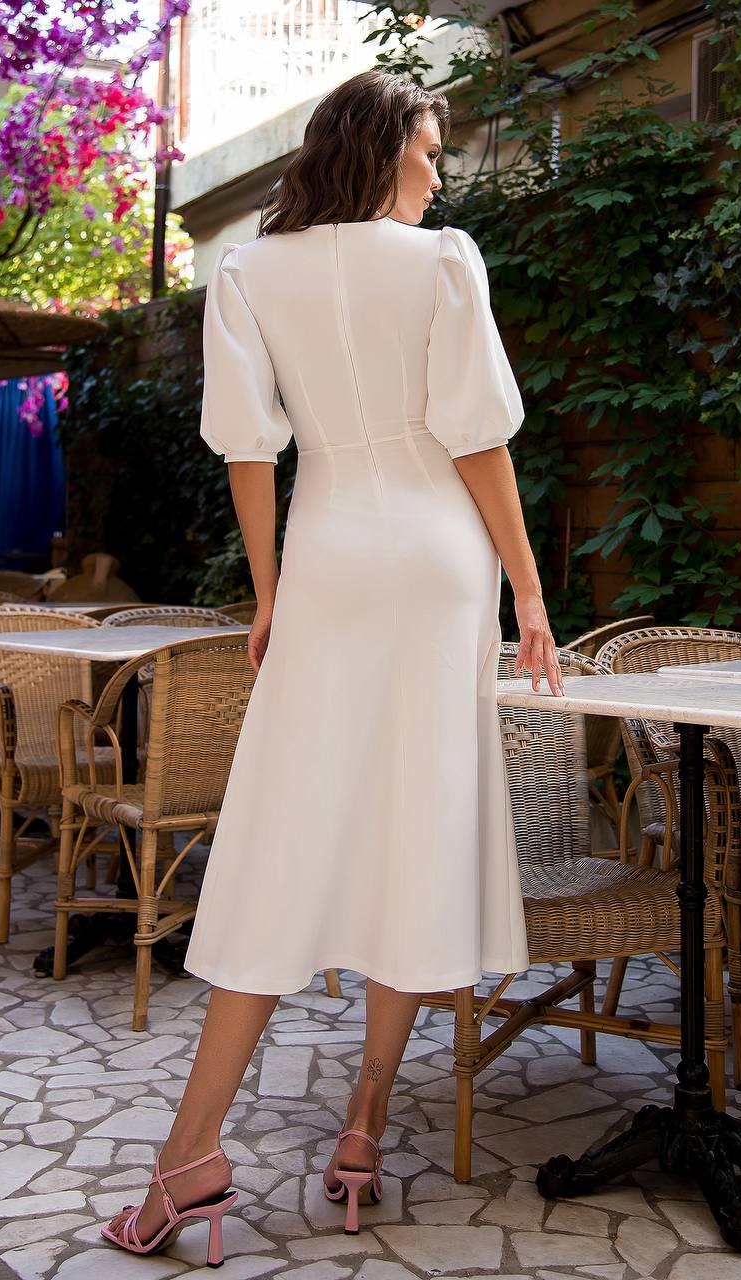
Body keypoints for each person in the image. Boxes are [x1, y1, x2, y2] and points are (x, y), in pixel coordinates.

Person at [102, 66, 565, 1262]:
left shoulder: (249, 273)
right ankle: (358, 1125)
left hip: (327, 559)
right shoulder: (445, 261)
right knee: (418, 825)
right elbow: (475, 435)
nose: (438, 172)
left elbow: (248, 453)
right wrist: (525, 585)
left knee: (279, 840)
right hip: (436, 566)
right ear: (378, 151)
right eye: (427, 148)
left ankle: (191, 1152)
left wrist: (269, 597)